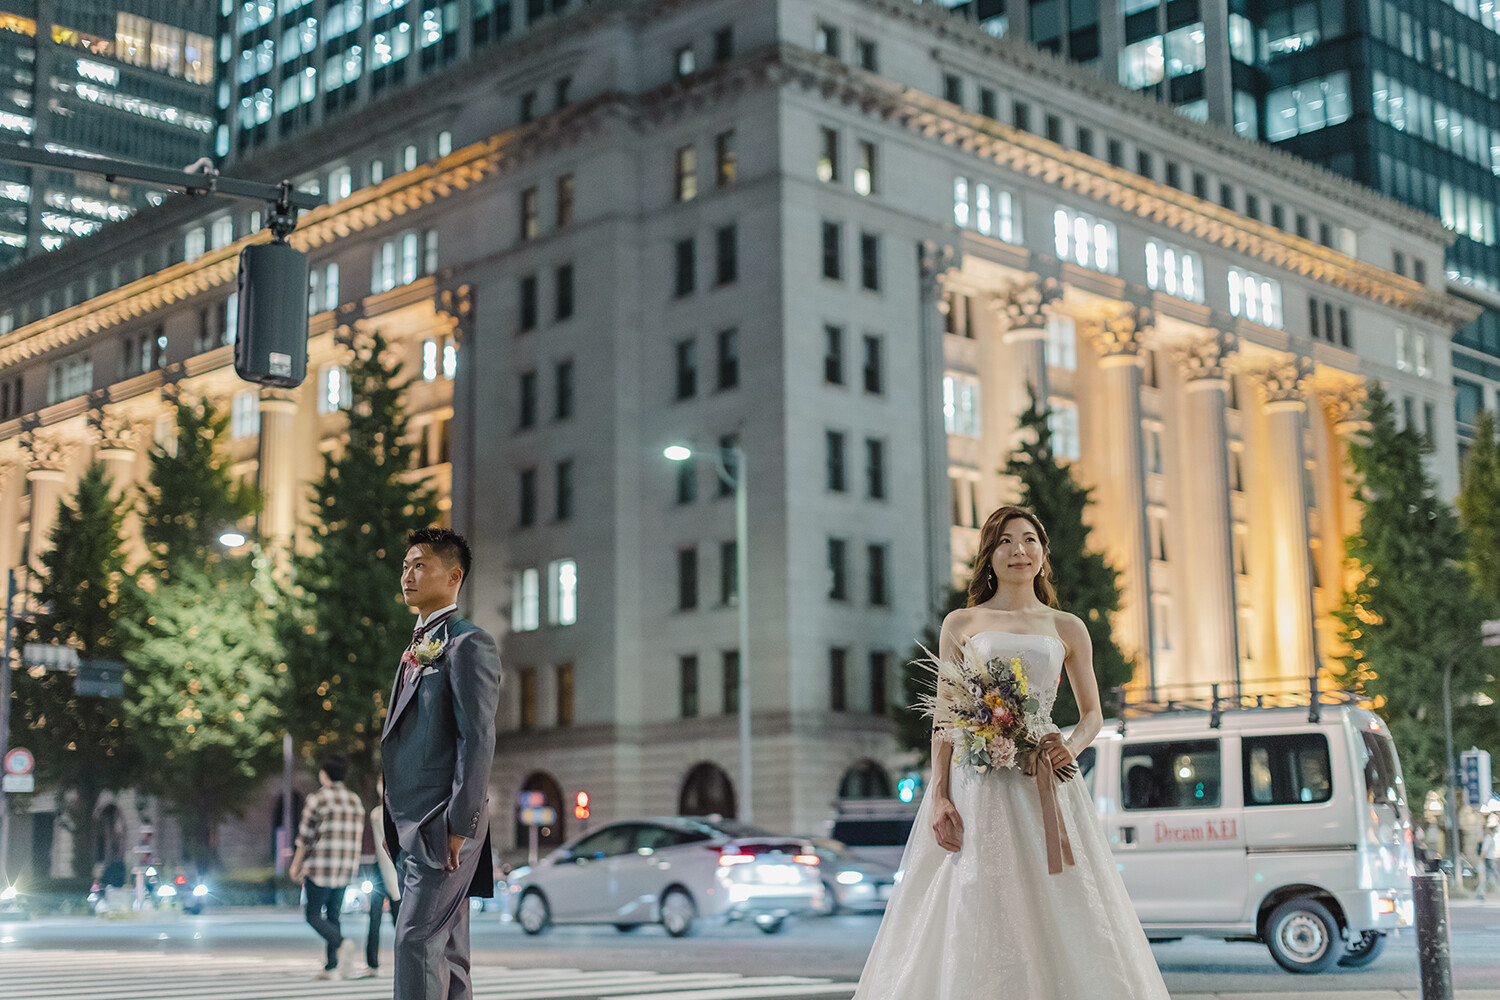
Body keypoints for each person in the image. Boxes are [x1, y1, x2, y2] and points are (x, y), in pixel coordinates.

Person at [852, 505, 1169, 1000]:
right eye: (1004, 541)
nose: (1017, 550)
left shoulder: (1067, 627)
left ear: (1043, 554)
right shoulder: (963, 621)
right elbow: (943, 717)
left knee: (1059, 896)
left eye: (1028, 540)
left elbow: (1092, 715)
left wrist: (1070, 746)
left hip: (1042, 777)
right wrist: (939, 796)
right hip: (974, 783)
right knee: (976, 892)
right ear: (989, 556)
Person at [381, 527, 502, 1000]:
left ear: (453, 576)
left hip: (441, 824)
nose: (408, 574)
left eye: (420, 565)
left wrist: (460, 822)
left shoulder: (468, 643)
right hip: (412, 822)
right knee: (447, 951)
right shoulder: (418, 644)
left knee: (416, 940)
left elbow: (478, 737)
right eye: (406, 565)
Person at [288, 752, 365, 980]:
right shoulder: (355, 801)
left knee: (313, 916)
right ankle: (332, 966)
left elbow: (305, 838)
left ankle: (342, 944)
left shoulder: (317, 799)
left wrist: (295, 866)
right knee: (333, 915)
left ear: (324, 775)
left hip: (320, 868)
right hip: (344, 868)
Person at [355, 775, 402, 979]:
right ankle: (383, 963)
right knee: (394, 921)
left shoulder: (379, 814)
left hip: (388, 871)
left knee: (384, 920)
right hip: (389, 871)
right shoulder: (389, 812)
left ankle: (373, 964)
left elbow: (384, 851)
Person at [1479, 820, 1500, 903]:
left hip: (1490, 859)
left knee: (1488, 877)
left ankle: (1480, 893)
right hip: (1489, 860)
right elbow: (1485, 850)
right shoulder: (1488, 838)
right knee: (1494, 876)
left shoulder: (1491, 838)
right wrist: (1481, 860)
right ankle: (1497, 891)